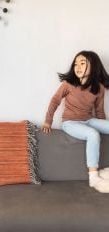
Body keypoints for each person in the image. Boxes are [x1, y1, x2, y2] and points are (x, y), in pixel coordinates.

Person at [42, 50, 109, 193]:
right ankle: (93, 177)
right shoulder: (68, 84)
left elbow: (99, 111)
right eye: (76, 64)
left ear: (94, 66)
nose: (77, 67)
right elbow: (55, 101)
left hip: (89, 120)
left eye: (82, 63)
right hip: (70, 123)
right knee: (92, 134)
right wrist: (48, 121)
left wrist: (104, 128)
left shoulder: (99, 88)